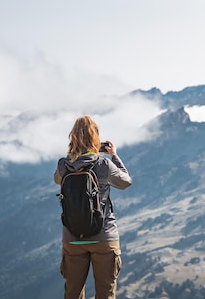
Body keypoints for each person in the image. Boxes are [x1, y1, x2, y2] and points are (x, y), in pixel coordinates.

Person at [54, 115, 132, 299]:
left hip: (72, 238)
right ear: (96, 139)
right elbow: (125, 182)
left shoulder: (63, 165)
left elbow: (57, 179)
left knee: (72, 293)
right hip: (104, 237)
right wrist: (114, 156)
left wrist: (71, 157)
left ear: (72, 137)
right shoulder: (104, 164)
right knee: (105, 293)